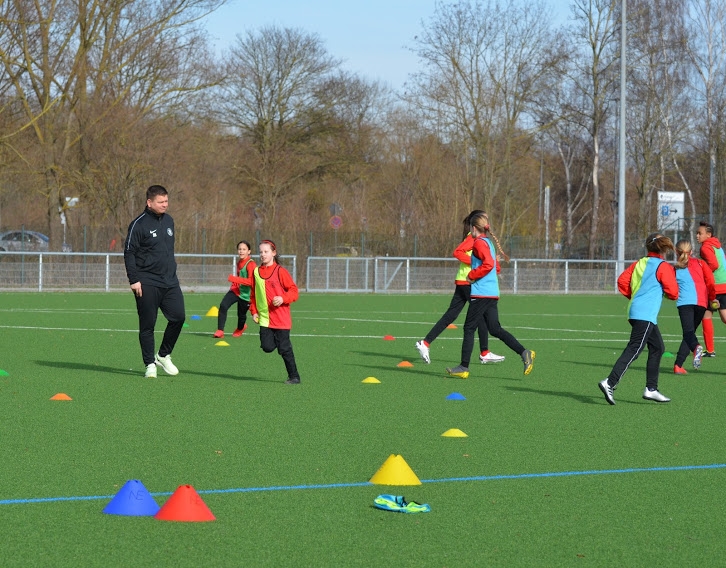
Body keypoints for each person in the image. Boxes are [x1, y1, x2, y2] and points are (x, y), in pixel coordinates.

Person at [445, 211, 535, 379]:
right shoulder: (489, 243)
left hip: (481, 293)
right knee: (494, 329)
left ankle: (463, 367)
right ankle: (524, 352)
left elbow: (487, 265)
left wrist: (472, 275)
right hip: (492, 293)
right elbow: (494, 266)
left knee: (469, 328)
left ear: (473, 228)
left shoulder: (479, 243)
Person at [415, 210, 504, 366]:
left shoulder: (481, 239)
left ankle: (425, 343)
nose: (487, 221)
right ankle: (484, 353)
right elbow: (457, 252)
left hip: (465, 281)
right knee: (481, 316)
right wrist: (475, 262)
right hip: (468, 281)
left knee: (451, 315)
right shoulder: (474, 238)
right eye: (485, 218)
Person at [598, 233, 678, 405]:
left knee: (658, 347)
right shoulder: (663, 266)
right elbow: (673, 293)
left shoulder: (639, 263)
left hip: (636, 311)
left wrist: (636, 296)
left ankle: (651, 389)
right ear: (663, 248)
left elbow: (622, 281)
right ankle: (610, 382)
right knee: (634, 348)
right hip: (645, 314)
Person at [124, 185, 185, 378]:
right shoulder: (138, 224)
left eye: (166, 201)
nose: (165, 205)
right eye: (161, 202)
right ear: (149, 202)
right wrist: (134, 280)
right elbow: (129, 253)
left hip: (170, 281)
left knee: (179, 317)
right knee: (148, 325)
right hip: (146, 282)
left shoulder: (169, 221)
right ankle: (149, 364)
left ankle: (163, 355)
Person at [249, 240, 301, 384]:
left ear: (273, 253)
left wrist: (283, 298)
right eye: (261, 252)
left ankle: (294, 377)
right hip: (265, 319)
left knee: (284, 349)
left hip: (281, 319)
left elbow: (294, 291)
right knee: (267, 347)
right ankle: (280, 343)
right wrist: (254, 311)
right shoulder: (256, 272)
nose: (263, 254)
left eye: (266, 251)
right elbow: (253, 295)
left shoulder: (280, 271)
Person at [673, 239, 716, 374]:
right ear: (691, 251)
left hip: (685, 303)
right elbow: (710, 282)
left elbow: (671, 288)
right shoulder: (701, 263)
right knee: (689, 333)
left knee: (688, 333)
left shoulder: (674, 268)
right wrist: (712, 298)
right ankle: (678, 365)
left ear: (676, 252)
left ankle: (696, 347)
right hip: (701, 303)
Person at [213, 240, 256, 338]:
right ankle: (220, 330)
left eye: (244, 249)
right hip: (236, 290)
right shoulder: (239, 262)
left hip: (246, 295)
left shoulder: (251, 264)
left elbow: (251, 282)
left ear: (249, 251)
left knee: (241, 316)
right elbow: (240, 277)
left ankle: (241, 328)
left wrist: (234, 279)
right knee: (223, 305)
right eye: (240, 249)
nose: (241, 251)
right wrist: (235, 283)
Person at [696, 221, 726, 357]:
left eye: (699, 233)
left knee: (706, 316)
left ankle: (710, 350)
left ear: (708, 235)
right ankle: (710, 350)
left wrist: (701, 272)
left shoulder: (705, 247)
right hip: (724, 284)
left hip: (714, 286)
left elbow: (713, 265)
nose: (697, 236)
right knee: (724, 318)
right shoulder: (717, 246)